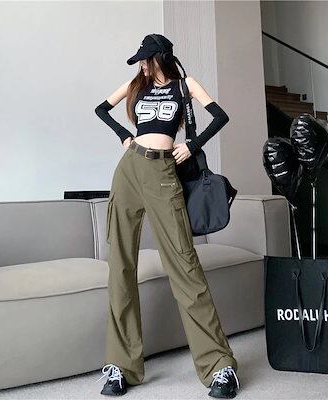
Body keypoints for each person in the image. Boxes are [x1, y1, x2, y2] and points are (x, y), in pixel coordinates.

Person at [94, 33, 240, 398]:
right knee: (120, 266)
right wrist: (124, 137)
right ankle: (121, 366)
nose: (142, 65)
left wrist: (192, 145)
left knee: (185, 267)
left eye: (146, 59)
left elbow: (220, 116)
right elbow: (101, 109)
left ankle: (219, 367)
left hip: (163, 173)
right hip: (129, 171)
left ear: (160, 56)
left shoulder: (184, 86)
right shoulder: (136, 85)